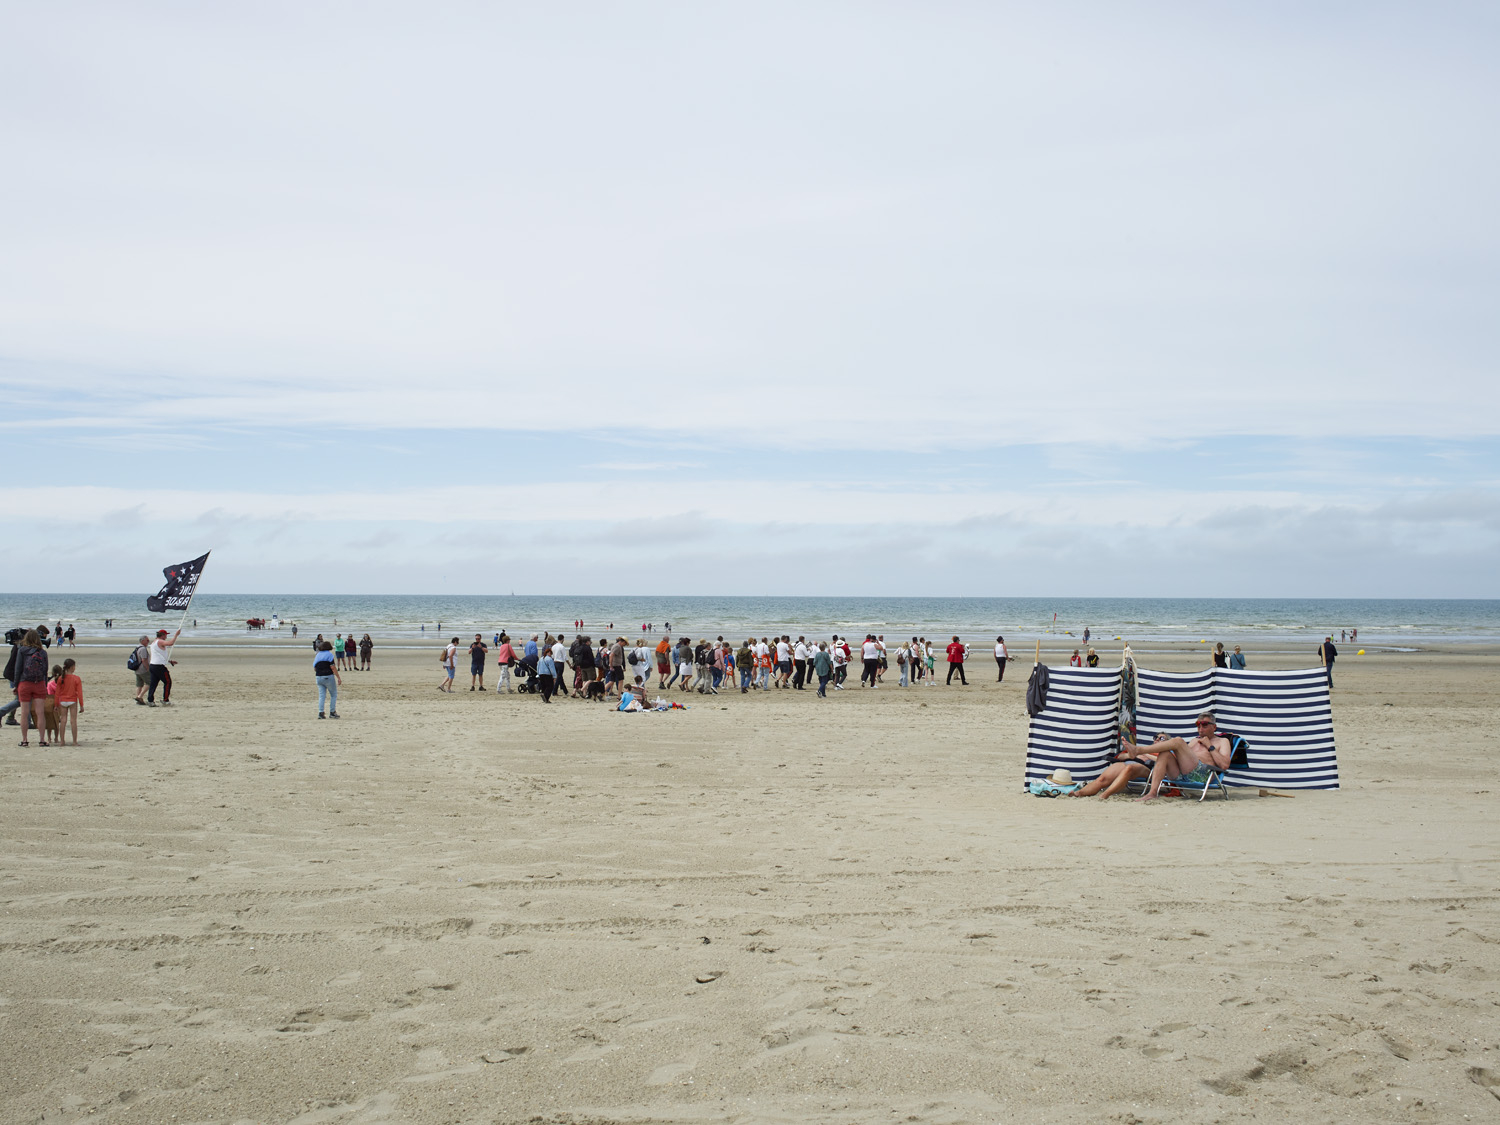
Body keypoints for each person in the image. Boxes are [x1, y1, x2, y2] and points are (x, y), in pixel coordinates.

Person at [1128, 713, 1233, 801]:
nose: (1200, 729)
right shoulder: (1194, 740)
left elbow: (1224, 765)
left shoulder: (1222, 741)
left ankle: (1138, 750)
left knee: (1178, 741)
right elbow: (1183, 759)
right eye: (1198, 726)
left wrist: (1209, 746)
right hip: (1183, 774)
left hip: (1202, 775)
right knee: (1165, 753)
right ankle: (1152, 793)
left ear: (1214, 727)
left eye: (1204, 726)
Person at [1070, 736, 1167, 799]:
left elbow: (1162, 763)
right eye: (1156, 737)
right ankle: (1079, 793)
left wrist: (1142, 753)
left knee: (1129, 768)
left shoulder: (1166, 753)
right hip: (1128, 762)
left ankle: (1105, 794)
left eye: (1161, 738)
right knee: (1102, 779)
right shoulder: (1143, 748)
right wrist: (1131, 755)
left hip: (1147, 768)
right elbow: (1120, 757)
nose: (1157, 739)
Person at [13, 629, 50, 745]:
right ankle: (42, 740)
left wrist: (15, 685)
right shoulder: (43, 652)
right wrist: (44, 684)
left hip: (24, 683)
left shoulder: (22, 650)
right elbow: (45, 670)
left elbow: (18, 669)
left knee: (24, 713)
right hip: (38, 683)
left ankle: (24, 740)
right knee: (40, 713)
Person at [53, 658, 83, 745]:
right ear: (71, 667)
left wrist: (56, 704)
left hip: (62, 701)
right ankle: (74, 741)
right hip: (72, 701)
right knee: (73, 721)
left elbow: (57, 693)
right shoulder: (76, 678)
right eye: (74, 666)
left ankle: (62, 741)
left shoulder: (60, 678)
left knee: (63, 720)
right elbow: (79, 693)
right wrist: (81, 705)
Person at [147, 627, 178, 706]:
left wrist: (169, 661)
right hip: (158, 666)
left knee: (153, 684)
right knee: (167, 682)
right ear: (163, 635)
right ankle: (165, 700)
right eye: (166, 635)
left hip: (153, 665)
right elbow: (170, 643)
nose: (166, 637)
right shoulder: (159, 641)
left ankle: (150, 700)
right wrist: (176, 635)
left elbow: (160, 655)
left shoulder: (154, 642)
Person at [314, 640, 340, 718]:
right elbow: (332, 667)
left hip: (318, 676)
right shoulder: (329, 655)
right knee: (333, 694)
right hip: (328, 676)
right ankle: (332, 712)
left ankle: (321, 712)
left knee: (322, 696)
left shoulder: (318, 655)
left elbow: (315, 667)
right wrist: (338, 677)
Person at [131, 634, 152, 704]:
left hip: (137, 669)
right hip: (142, 669)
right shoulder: (142, 649)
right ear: (142, 641)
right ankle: (140, 696)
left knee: (139, 684)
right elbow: (144, 660)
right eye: (147, 640)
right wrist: (148, 668)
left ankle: (139, 699)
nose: (148, 642)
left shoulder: (137, 647)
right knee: (150, 682)